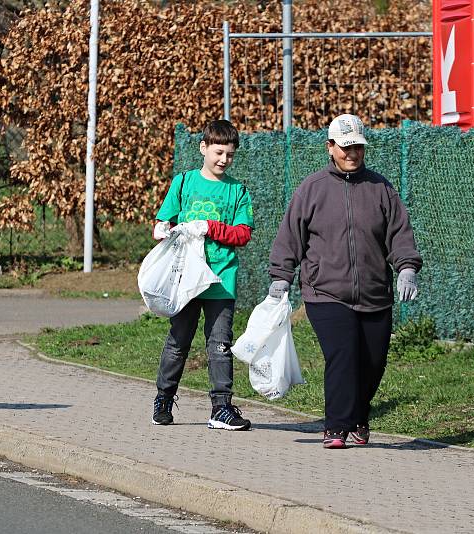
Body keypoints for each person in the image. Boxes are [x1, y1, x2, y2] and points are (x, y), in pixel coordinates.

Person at [268, 114, 422, 449]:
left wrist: (406, 267)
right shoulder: (312, 189)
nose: (352, 154)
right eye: (345, 147)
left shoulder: (381, 188)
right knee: (343, 355)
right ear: (330, 147)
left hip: (374, 292)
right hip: (326, 292)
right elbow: (290, 236)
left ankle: (358, 416)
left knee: (373, 361)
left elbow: (399, 233)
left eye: (357, 148)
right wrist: (281, 276)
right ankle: (336, 426)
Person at [151, 119, 255, 430]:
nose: (224, 159)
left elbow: (242, 234)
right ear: (203, 148)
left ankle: (221, 408)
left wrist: (211, 228)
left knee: (220, 343)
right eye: (219, 152)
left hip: (221, 280)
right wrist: (160, 228)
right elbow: (163, 219)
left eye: (230, 155)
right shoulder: (183, 183)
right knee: (178, 341)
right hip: (185, 280)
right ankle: (163, 399)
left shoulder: (238, 191)